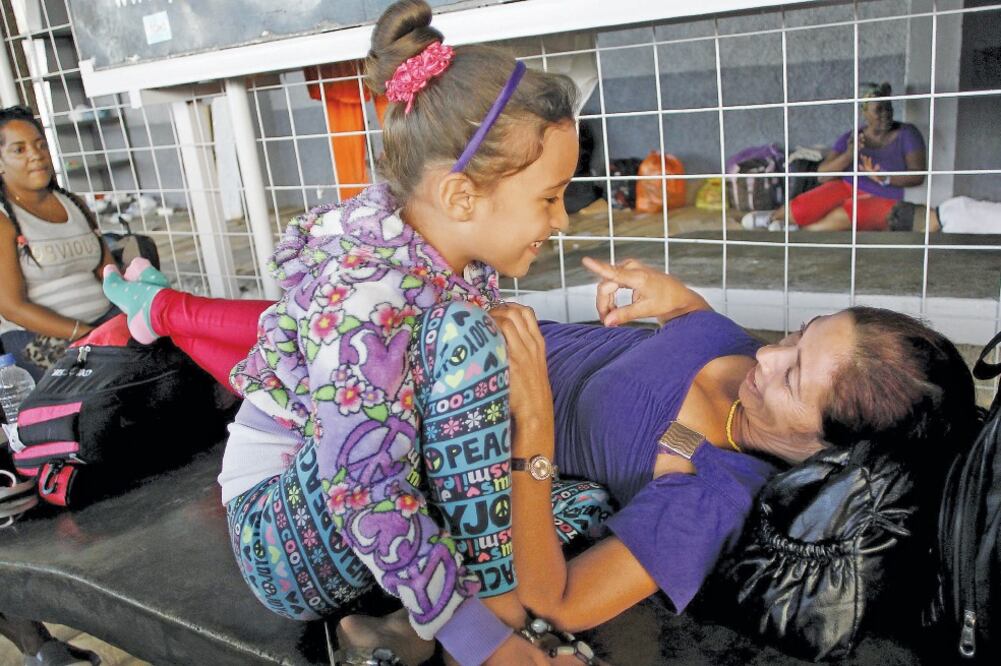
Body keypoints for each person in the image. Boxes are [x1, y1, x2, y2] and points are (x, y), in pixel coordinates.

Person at [102, 1, 586, 663]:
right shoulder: (366, 290)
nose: (561, 222)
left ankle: (404, 626)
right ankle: (480, 618)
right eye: (548, 196)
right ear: (460, 197)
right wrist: (489, 641)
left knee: (578, 502)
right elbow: (363, 484)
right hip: (285, 533)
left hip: (359, 500)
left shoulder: (450, 257)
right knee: (470, 347)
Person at [0, 106, 117, 381]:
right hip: (42, 340)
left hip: (103, 326)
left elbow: (109, 274)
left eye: (40, 145)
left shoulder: (74, 203)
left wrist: (137, 311)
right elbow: (11, 307)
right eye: (19, 149)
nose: (36, 155)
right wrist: (86, 333)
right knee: (107, 382)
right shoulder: (4, 220)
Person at [745, 82, 927, 232]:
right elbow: (822, 175)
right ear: (864, 113)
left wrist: (885, 178)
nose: (886, 114)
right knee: (805, 206)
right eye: (878, 110)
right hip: (847, 186)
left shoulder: (907, 133)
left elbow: (918, 176)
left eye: (888, 108)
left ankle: (798, 232)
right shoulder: (852, 137)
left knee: (844, 215)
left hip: (885, 197)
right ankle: (773, 218)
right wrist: (849, 155)